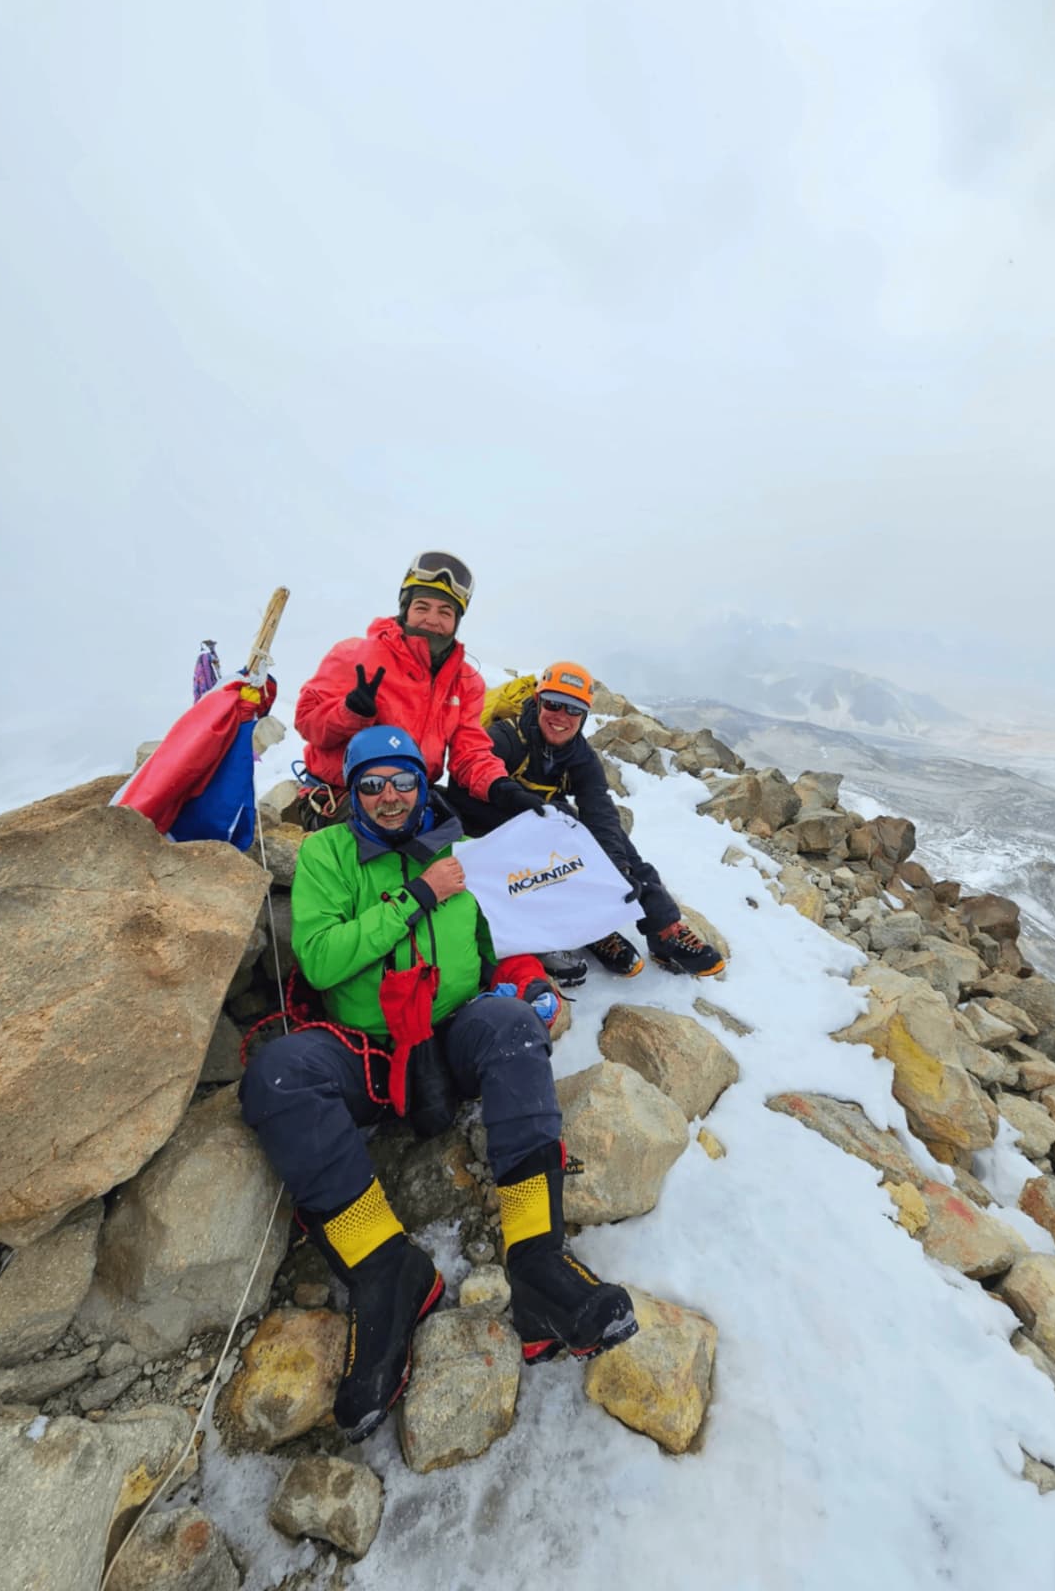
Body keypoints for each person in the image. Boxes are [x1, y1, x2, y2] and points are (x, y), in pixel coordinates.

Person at [240, 724, 637, 1443]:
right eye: (372, 785)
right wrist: (416, 896)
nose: (390, 797)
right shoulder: (329, 855)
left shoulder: (466, 855)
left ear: (423, 788)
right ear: (353, 792)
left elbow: (502, 945)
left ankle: (537, 1261)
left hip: (451, 1036)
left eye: (404, 782)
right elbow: (321, 959)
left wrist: (530, 983)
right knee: (278, 1074)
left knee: (512, 1024)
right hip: (368, 1051)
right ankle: (386, 1270)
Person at [446, 661, 726, 981]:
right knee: (561, 830)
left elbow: (599, 811)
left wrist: (618, 867)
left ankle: (663, 928)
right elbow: (460, 785)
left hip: (538, 821)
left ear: (584, 716)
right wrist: (516, 806)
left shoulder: (580, 756)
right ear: (538, 701)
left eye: (574, 710)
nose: (561, 716)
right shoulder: (507, 737)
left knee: (608, 839)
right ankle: (588, 926)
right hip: (484, 826)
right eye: (553, 704)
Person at [292, 550, 542, 828]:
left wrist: (500, 787)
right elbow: (306, 721)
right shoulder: (354, 655)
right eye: (422, 607)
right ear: (405, 609)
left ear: (457, 621)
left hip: (412, 796)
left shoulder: (466, 682)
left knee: (486, 826)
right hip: (339, 796)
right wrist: (349, 712)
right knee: (411, 838)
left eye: (445, 612)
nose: (432, 620)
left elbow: (469, 752)